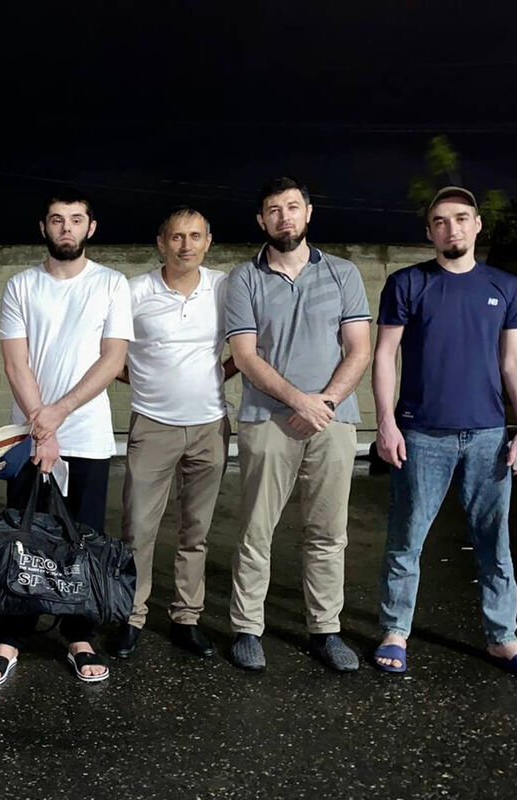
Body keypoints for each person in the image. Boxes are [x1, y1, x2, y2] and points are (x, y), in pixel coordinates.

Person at [372, 186, 517, 682]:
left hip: (489, 435)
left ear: (477, 225)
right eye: (440, 221)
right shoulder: (408, 283)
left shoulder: (505, 285)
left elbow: (515, 360)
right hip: (421, 434)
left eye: (461, 218)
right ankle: (395, 632)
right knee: (407, 539)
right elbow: (384, 355)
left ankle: (503, 637)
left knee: (495, 542)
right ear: (429, 232)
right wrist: (386, 422)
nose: (451, 228)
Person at [0, 191, 133, 686]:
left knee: (81, 539)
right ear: (43, 227)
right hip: (27, 438)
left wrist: (57, 415)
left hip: (86, 436)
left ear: (91, 228)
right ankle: (12, 634)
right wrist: (40, 427)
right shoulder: (22, 285)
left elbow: (112, 358)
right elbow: (14, 362)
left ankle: (78, 635)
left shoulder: (111, 283)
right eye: (57, 220)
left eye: (76, 220)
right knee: (23, 537)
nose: (67, 228)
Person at [224, 178, 372, 672]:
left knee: (328, 533)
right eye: (273, 209)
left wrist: (323, 403)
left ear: (308, 212)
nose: (283, 216)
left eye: (292, 207)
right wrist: (297, 401)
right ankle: (247, 629)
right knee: (255, 530)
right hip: (267, 419)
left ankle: (326, 630)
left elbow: (359, 349)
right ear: (261, 220)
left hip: (333, 420)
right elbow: (245, 356)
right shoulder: (243, 279)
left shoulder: (343, 273)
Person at [113, 207, 237, 659]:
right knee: (137, 529)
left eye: (195, 236)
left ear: (208, 242)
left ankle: (187, 616)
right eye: (177, 237)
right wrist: (142, 382)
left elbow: (250, 345)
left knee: (196, 530)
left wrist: (220, 374)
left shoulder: (225, 287)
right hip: (152, 424)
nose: (187, 245)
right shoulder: (134, 291)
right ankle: (131, 615)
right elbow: (107, 352)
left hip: (210, 425)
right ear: (161, 242)